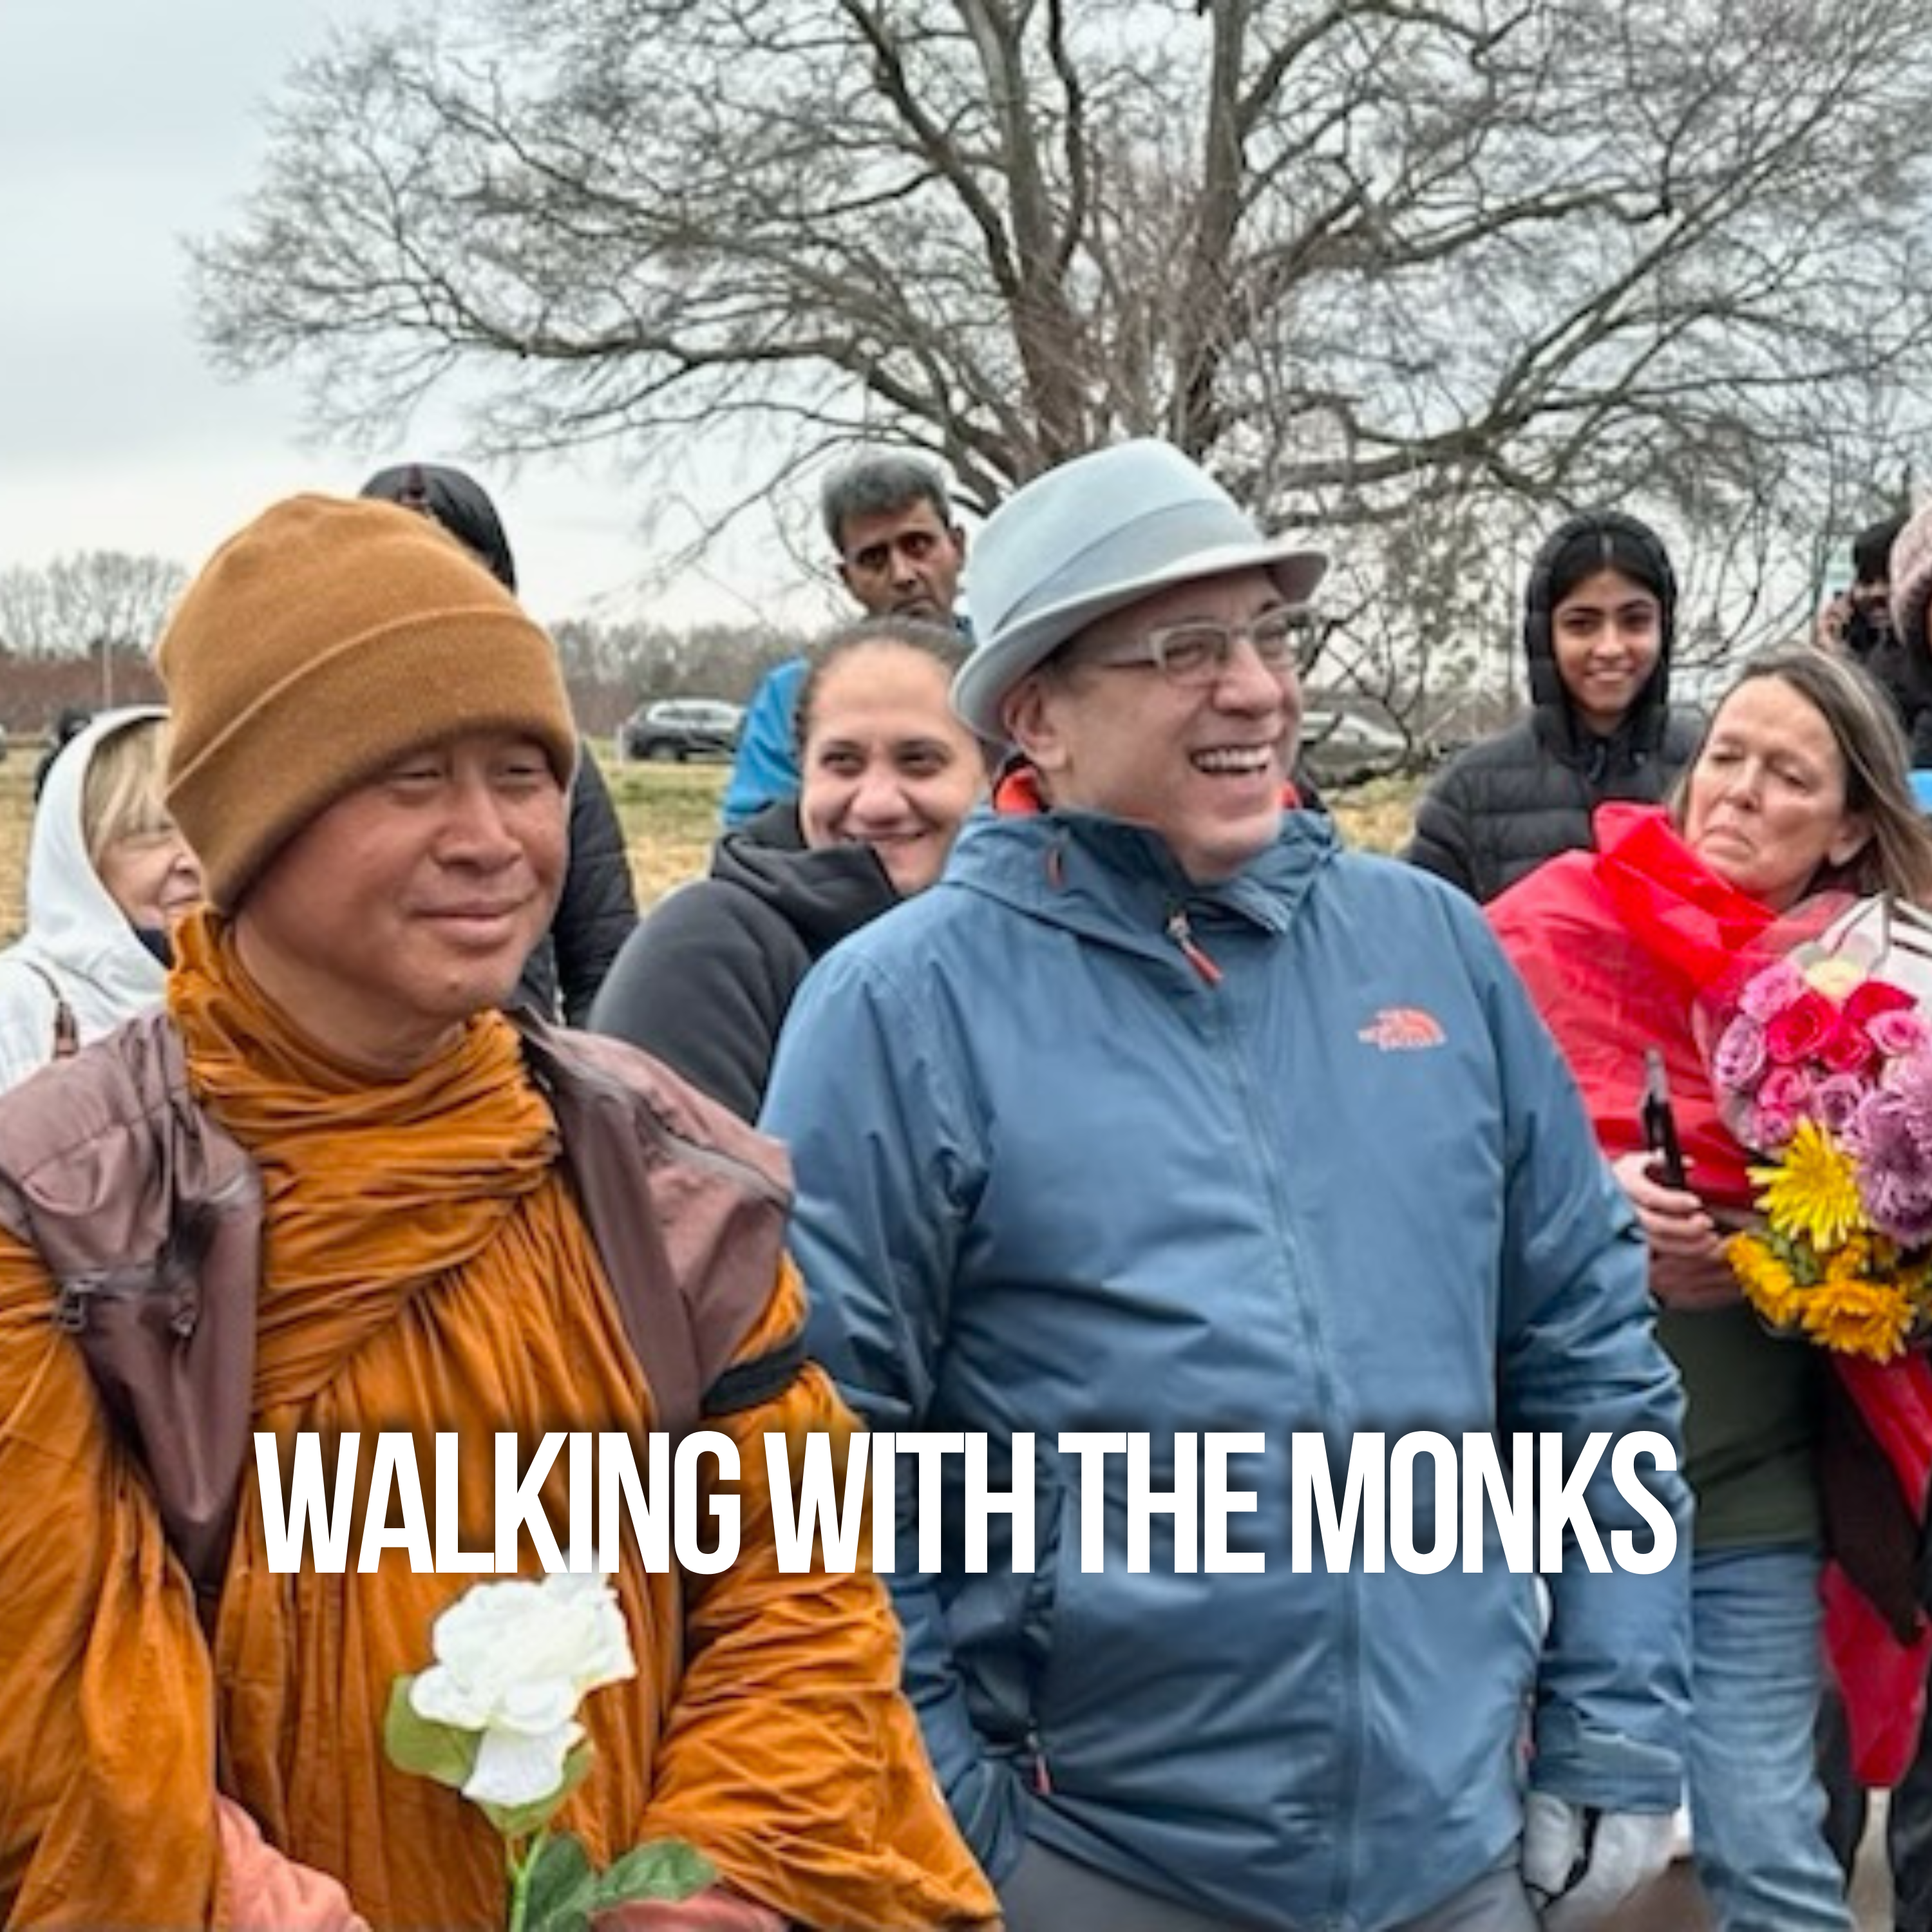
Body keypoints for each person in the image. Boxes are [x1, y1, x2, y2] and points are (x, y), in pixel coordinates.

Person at [0, 495, 998, 1931]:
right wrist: (230, 1890)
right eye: (409, 778)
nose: (491, 839)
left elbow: (799, 1592)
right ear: (251, 821)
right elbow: (51, 1690)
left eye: (524, 772)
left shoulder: (662, 1176)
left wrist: (712, 1874)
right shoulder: (60, 1204)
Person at [761, 438, 1691, 1932]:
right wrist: (959, 1821)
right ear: (1036, 714)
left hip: (1454, 1847)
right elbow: (822, 1457)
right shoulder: (897, 1007)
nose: (1254, 687)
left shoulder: (1430, 950)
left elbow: (1585, 1357)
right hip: (1095, 1861)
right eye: (1185, 648)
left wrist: (1610, 1723)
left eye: (1267, 634)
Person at [1488, 646, 1932, 1931]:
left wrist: (1761, 1258)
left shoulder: (1886, 992)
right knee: (1518, 1845)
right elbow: (1435, 1155)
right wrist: (1593, 1202)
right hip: (1540, 1487)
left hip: (1752, 1483)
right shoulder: (1549, 924)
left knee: (1773, 1853)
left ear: (1851, 822)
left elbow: (1904, 1258)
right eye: (1725, 755)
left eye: (1786, 774)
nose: (1737, 791)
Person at [592, 617, 983, 1119]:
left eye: (919, 761)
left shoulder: (1034, 950)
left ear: (991, 776)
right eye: (842, 763)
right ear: (801, 773)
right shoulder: (711, 952)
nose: (877, 801)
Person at [360, 460, 638, 1021]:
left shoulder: (556, 756)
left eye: (456, 577)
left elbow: (605, 966)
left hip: (512, 1084)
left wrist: (589, 1093)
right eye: (400, 576)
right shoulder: (305, 758)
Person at [1405, 509, 1702, 902]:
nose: (1611, 648)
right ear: (1545, 636)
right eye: (1582, 624)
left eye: (1634, 622)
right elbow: (1421, 938)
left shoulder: (1710, 775)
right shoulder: (1470, 793)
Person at [721, 451, 969, 827]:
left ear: (958, 548)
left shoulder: (1015, 673)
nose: (903, 574)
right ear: (847, 578)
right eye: (874, 559)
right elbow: (757, 839)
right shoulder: (794, 695)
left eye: (918, 545)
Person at [0, 705, 201, 1092]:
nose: (191, 861)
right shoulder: (20, 1008)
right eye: (150, 833)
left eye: (205, 830)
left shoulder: (272, 998)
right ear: (79, 858)